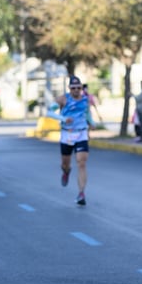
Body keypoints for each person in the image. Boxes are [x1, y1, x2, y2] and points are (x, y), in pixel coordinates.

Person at [56, 76, 96, 206]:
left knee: (82, 163)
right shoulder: (63, 99)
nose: (76, 90)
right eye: (73, 88)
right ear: (69, 89)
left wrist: (92, 123)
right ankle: (66, 171)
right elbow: (49, 112)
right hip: (67, 134)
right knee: (65, 164)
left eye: (79, 87)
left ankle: (81, 193)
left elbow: (87, 114)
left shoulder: (85, 100)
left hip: (81, 133)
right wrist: (63, 119)